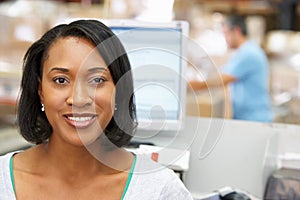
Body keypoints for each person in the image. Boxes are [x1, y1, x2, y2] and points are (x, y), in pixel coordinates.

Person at [0, 19, 193, 199]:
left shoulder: (159, 189)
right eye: (61, 80)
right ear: (40, 91)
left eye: (97, 80)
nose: (79, 99)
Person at [189, 14, 273, 122]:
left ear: (236, 31)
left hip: (254, 120)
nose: (225, 38)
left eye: (226, 33)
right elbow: (221, 72)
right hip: (246, 118)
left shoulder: (249, 53)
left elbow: (221, 80)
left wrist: (192, 86)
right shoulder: (243, 52)